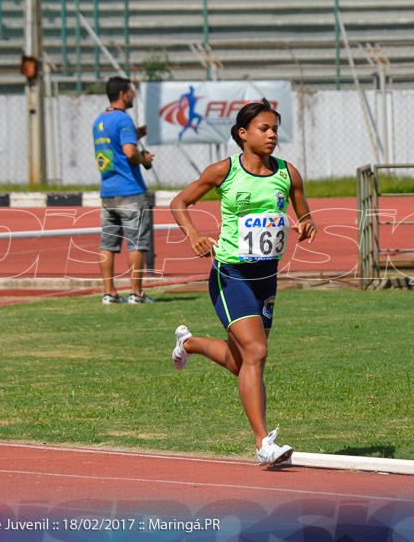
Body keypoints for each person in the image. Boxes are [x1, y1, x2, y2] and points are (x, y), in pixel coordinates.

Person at [169, 99, 316, 466]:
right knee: (257, 353)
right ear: (243, 134)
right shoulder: (223, 171)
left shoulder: (288, 173)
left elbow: (305, 214)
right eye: (264, 129)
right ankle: (263, 444)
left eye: (275, 129)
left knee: (241, 362)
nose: (272, 135)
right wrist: (193, 235)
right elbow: (179, 202)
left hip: (266, 278)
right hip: (229, 274)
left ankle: (190, 343)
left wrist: (306, 225)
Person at [93, 76, 155, 305]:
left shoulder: (99, 120)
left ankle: (109, 292)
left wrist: (136, 134)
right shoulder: (123, 119)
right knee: (136, 242)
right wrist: (144, 159)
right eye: (131, 91)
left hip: (108, 190)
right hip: (130, 190)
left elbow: (115, 146)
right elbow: (129, 153)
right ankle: (136, 293)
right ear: (122, 94)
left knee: (107, 244)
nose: (133, 95)